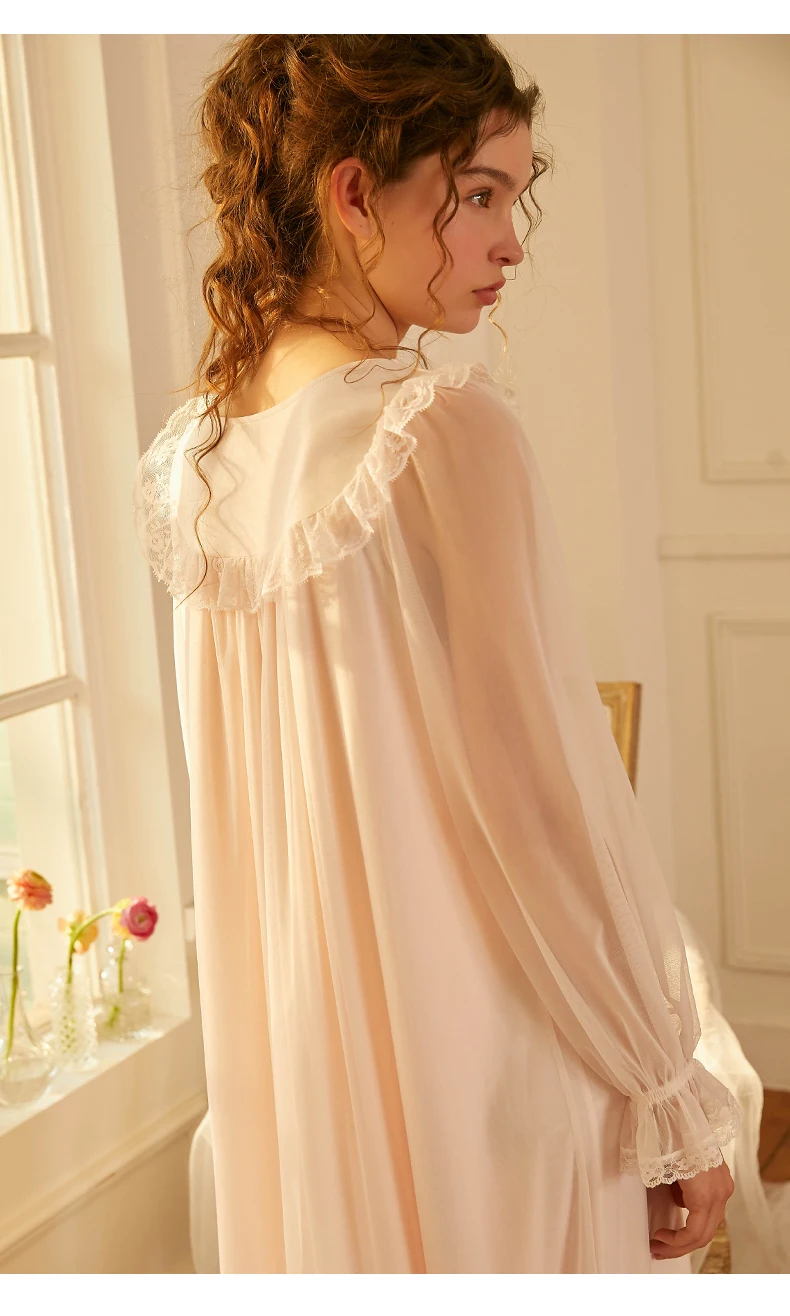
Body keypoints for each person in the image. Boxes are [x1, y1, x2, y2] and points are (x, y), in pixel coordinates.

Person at [133, 35, 739, 1274]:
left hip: (313, 1098)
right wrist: (664, 1080)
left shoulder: (194, 458)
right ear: (355, 192)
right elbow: (545, 802)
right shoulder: (437, 424)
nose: (510, 242)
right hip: (488, 1078)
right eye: (477, 195)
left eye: (515, 197)